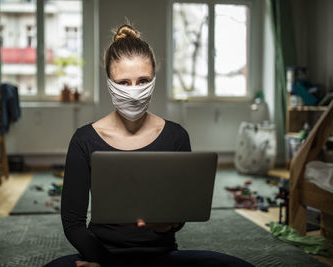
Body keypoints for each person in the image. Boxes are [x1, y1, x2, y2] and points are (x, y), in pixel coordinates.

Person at [45, 24, 254, 267]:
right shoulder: (84, 139)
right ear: (109, 82)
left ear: (154, 79)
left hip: (161, 256)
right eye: (123, 82)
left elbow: (181, 215)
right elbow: (73, 224)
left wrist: (171, 222)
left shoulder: (176, 136)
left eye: (143, 80)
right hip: (101, 256)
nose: (134, 92)